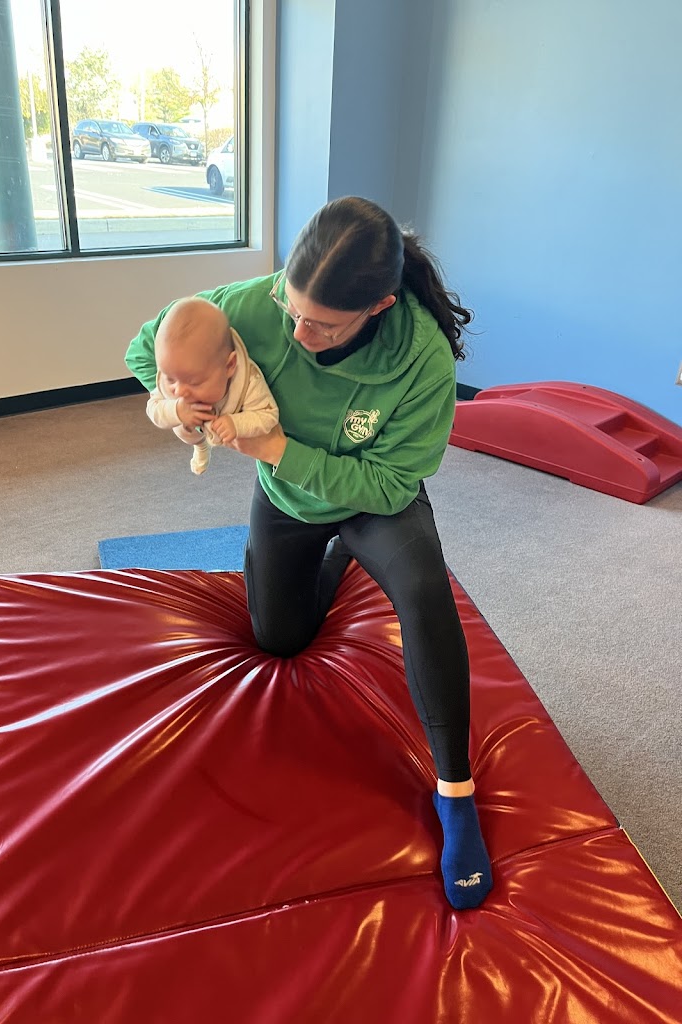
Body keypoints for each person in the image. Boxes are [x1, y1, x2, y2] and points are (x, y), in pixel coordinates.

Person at [126, 196, 493, 910]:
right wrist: (178, 402)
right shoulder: (252, 306)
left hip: (374, 500)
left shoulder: (420, 357)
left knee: (424, 589)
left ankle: (456, 793)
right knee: (280, 639)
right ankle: (337, 558)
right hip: (292, 501)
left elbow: (391, 484)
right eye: (292, 309)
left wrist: (278, 450)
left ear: (379, 306)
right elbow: (147, 347)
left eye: (322, 324)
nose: (299, 334)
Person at [146, 296, 279, 475]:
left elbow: (268, 415)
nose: (179, 391)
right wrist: (176, 410)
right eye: (170, 379)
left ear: (229, 366)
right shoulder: (174, 372)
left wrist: (236, 423)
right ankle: (200, 446)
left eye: (194, 382)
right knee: (186, 433)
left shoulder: (247, 380)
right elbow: (153, 408)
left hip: (228, 414)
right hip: (189, 427)